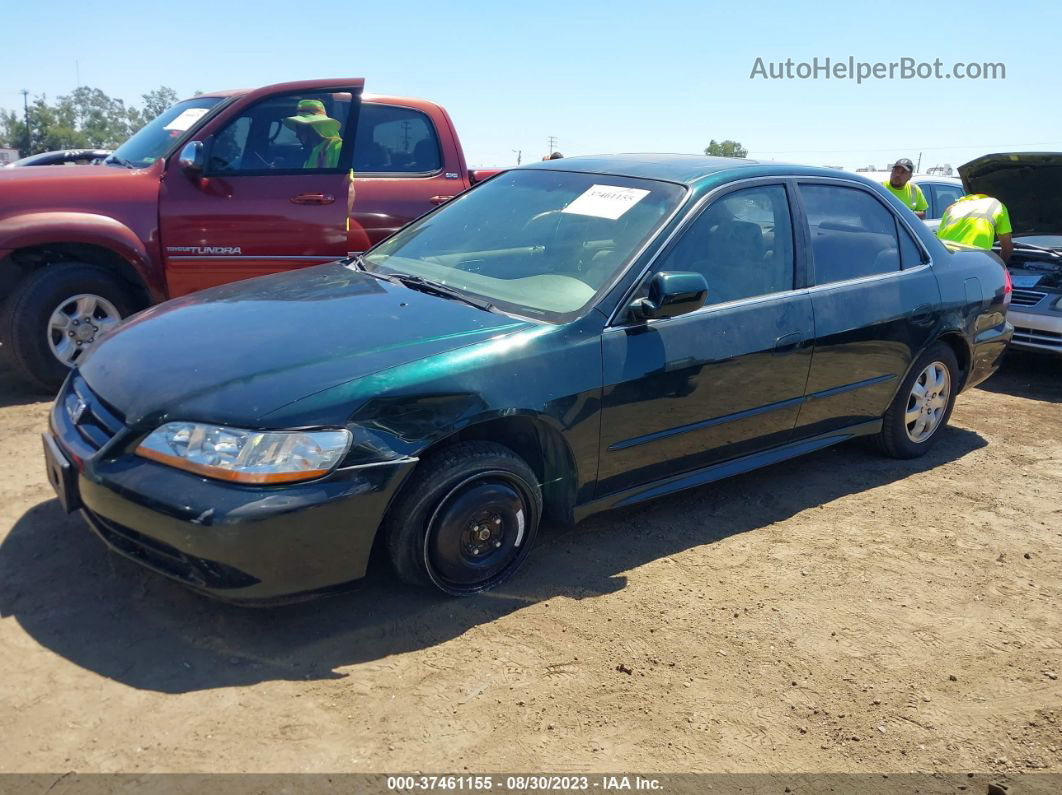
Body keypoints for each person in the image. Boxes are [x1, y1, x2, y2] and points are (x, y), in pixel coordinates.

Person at [936, 193, 1013, 263]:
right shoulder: (997, 205)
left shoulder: (952, 208)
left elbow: (939, 238)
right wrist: (1001, 268)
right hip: (975, 259)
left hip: (945, 257)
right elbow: (1007, 249)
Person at [283, 99, 343, 168]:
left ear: (314, 128)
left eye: (300, 130)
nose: (297, 135)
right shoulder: (314, 151)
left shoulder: (338, 148)